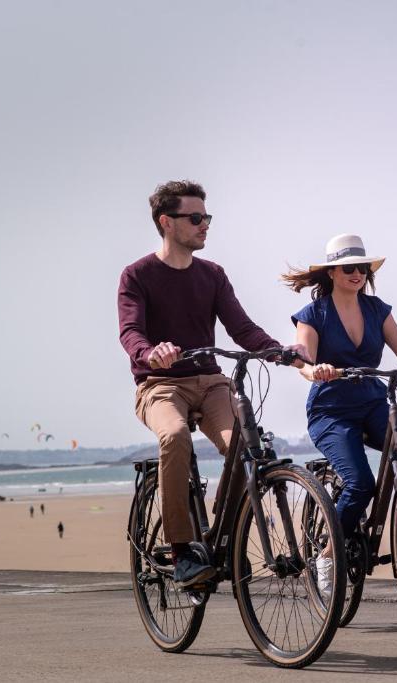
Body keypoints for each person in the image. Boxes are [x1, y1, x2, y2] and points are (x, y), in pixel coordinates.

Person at [118, 180, 308, 588]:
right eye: (196, 218)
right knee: (173, 437)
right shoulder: (137, 275)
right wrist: (151, 352)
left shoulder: (212, 275)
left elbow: (241, 328)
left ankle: (222, 532)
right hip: (160, 385)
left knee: (245, 445)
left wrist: (281, 352)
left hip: (210, 382)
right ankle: (183, 550)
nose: (205, 225)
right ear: (166, 223)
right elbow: (130, 332)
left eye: (207, 217)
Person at [283, 234, 397, 595]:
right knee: (360, 483)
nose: (357, 273)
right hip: (331, 409)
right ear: (332, 272)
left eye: (362, 267)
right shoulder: (314, 314)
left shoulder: (377, 309)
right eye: (349, 267)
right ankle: (328, 556)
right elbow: (302, 357)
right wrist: (313, 370)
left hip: (374, 401)